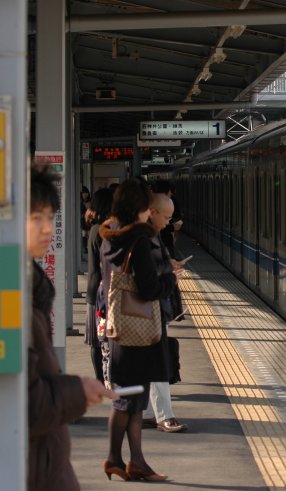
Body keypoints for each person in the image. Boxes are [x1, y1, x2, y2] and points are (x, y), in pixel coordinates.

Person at [27, 164, 116, 491]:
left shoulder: (27, 289)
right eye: (36, 218)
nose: (47, 229)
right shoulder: (12, 297)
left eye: (50, 217)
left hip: (42, 465)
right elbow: (24, 402)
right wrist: (77, 392)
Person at [98, 178, 176, 481]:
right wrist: (170, 280)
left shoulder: (109, 237)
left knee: (132, 400)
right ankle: (114, 458)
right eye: (146, 207)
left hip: (121, 328)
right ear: (138, 208)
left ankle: (135, 461)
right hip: (140, 331)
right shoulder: (139, 240)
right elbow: (149, 288)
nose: (148, 213)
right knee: (127, 401)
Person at [141, 192, 188, 433]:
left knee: (148, 362)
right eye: (166, 217)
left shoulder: (152, 234)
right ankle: (164, 416)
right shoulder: (142, 237)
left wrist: (168, 267)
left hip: (150, 308)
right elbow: (146, 275)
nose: (169, 222)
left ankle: (147, 413)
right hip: (148, 308)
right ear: (152, 212)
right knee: (157, 362)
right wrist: (170, 274)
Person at [84, 187, 114, 382]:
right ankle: (101, 381)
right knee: (99, 340)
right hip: (100, 294)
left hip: (95, 291)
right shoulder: (101, 230)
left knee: (97, 340)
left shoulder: (95, 228)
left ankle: (101, 380)